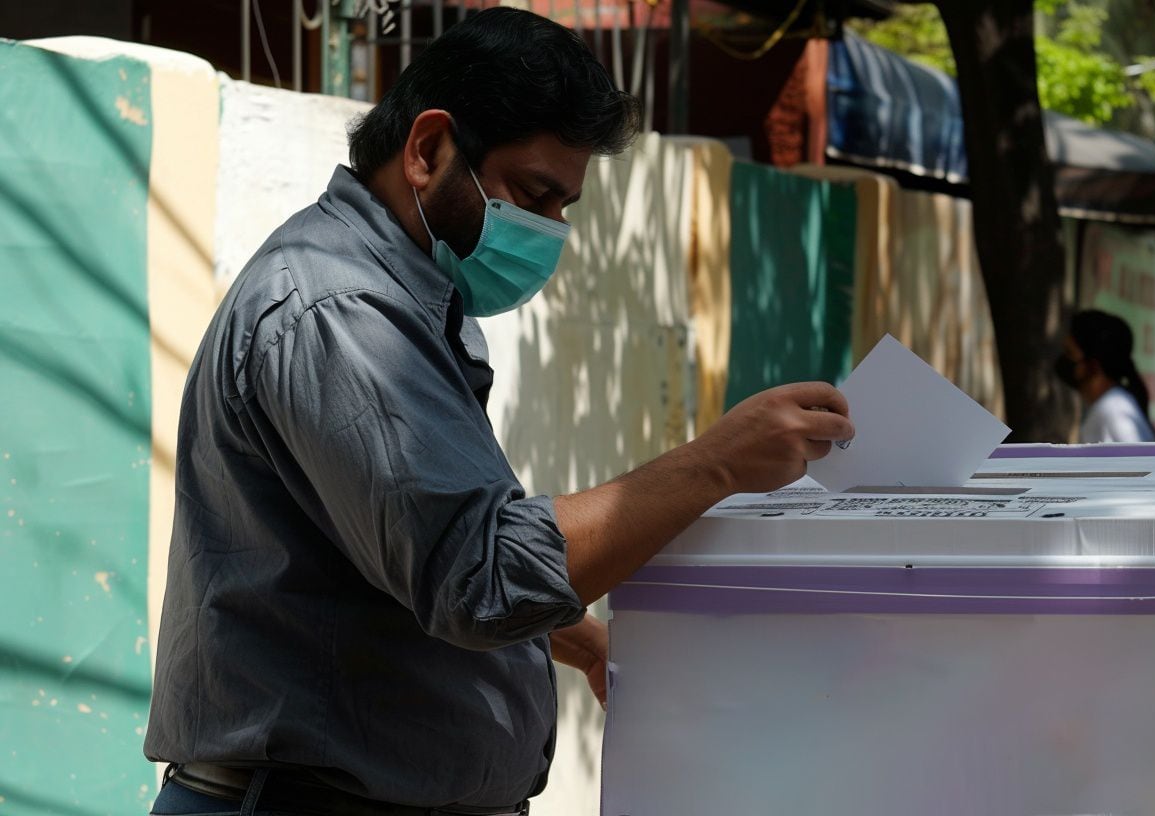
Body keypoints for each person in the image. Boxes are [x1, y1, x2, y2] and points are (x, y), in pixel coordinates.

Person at [143, 9, 854, 815]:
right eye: (533, 193)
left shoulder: (403, 303)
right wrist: (716, 462)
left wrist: (574, 636)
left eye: (565, 206)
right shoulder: (341, 312)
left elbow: (404, 550)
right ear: (427, 149)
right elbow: (473, 574)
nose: (550, 230)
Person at [1054, 310, 1155, 442]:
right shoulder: (1112, 406)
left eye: (1069, 353)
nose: (1064, 359)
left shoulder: (1112, 412)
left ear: (1093, 366)